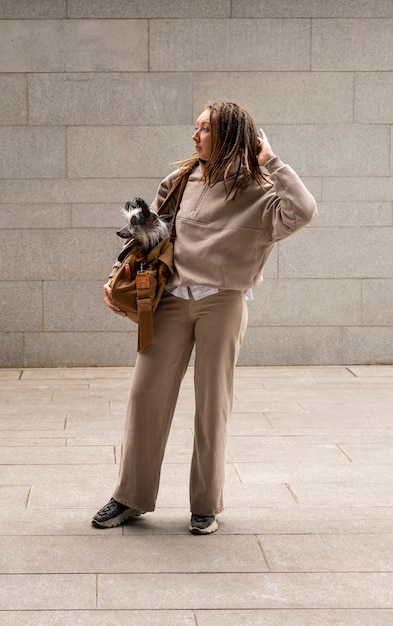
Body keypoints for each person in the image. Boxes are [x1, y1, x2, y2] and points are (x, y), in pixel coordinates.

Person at [92, 101, 317, 534]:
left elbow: (304, 211)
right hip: (170, 300)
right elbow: (147, 235)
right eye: (195, 127)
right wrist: (115, 277)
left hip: (223, 302)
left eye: (205, 129)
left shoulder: (263, 188)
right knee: (145, 397)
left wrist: (271, 159)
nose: (195, 136)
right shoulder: (180, 179)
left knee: (212, 403)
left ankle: (205, 504)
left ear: (232, 135)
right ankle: (130, 497)